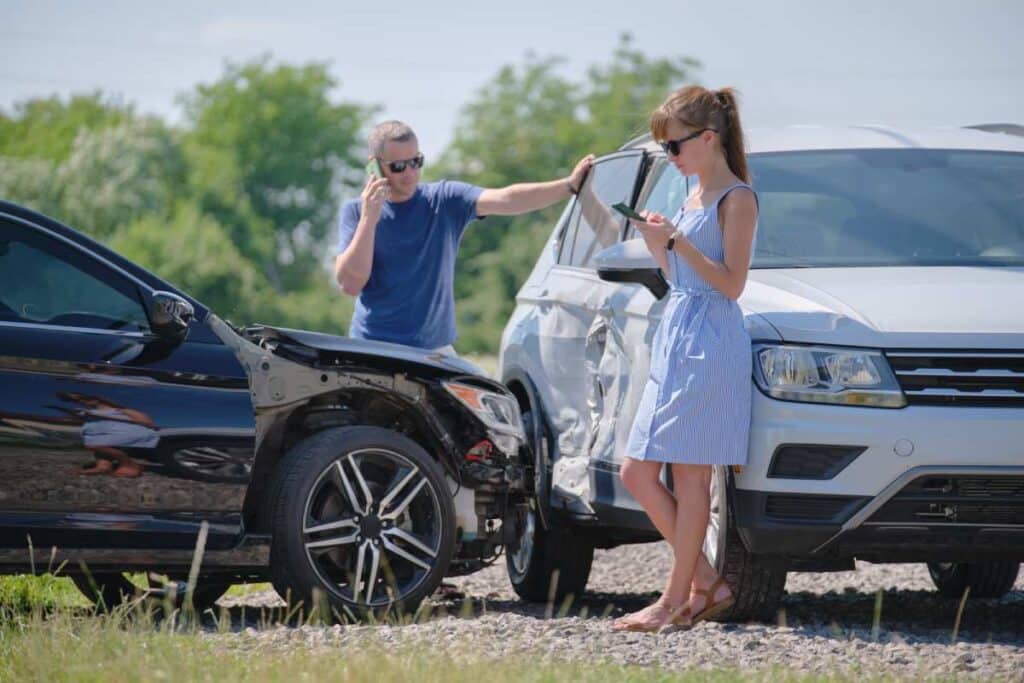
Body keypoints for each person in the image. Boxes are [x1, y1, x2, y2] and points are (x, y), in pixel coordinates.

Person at [611, 86, 759, 632]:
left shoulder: (736, 199)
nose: (670, 159)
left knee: (691, 477)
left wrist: (678, 243)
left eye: (673, 148)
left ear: (708, 139)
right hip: (677, 330)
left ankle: (676, 598)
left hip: (712, 340)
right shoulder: (689, 198)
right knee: (637, 470)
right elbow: (683, 279)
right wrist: (658, 242)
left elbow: (732, 285)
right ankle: (707, 582)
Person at [334, 120, 594, 354]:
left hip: (434, 350)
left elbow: (506, 198)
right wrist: (370, 219)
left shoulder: (444, 199)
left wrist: (567, 186)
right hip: (373, 347)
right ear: (375, 167)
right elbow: (350, 284)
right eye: (399, 166)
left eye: (416, 161)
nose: (410, 172)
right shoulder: (356, 212)